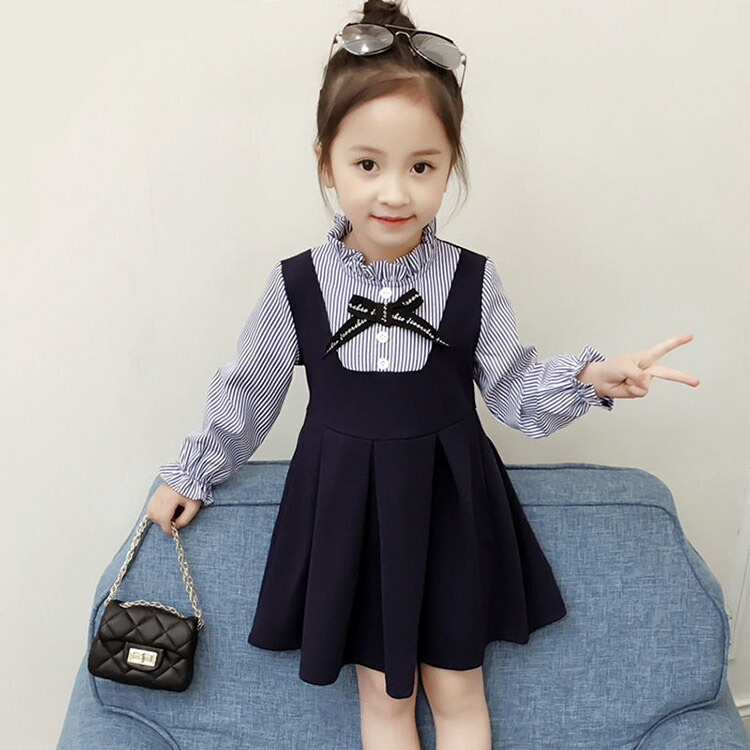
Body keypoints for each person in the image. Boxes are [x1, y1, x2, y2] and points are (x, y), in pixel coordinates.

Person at [146, 1, 700, 747]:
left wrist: (594, 377)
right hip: (349, 514)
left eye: (422, 166)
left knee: (459, 691)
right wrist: (192, 473)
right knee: (384, 699)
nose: (395, 192)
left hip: (451, 510)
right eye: (367, 164)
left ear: (450, 167)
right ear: (326, 162)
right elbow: (249, 389)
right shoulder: (297, 284)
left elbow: (512, 388)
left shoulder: (472, 279)